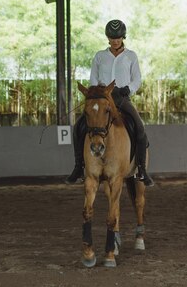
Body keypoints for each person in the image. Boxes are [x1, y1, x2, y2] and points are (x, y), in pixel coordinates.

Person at [66, 19, 154, 186]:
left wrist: (129, 89)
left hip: (121, 98)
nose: (115, 41)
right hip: (102, 98)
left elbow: (137, 79)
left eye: (119, 38)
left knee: (140, 128)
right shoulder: (100, 56)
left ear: (123, 37)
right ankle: (78, 167)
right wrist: (96, 91)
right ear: (108, 38)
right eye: (112, 38)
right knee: (78, 127)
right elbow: (93, 79)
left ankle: (141, 169)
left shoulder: (131, 56)